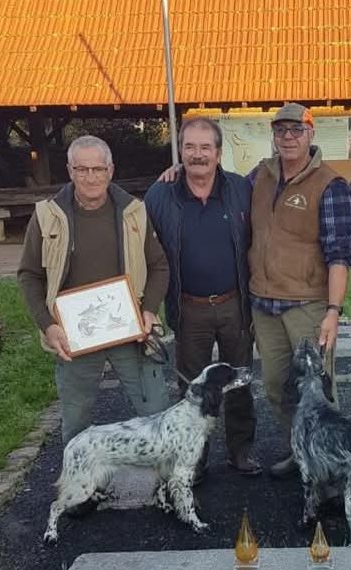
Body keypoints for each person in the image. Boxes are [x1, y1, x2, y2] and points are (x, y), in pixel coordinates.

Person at [18, 135, 170, 445]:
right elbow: (28, 275)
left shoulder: (134, 212)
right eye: (82, 169)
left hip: (129, 330)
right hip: (75, 335)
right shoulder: (47, 215)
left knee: (156, 412)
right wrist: (48, 326)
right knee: (76, 423)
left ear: (111, 170)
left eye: (98, 169)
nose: (91, 177)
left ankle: (166, 486)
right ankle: (80, 491)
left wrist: (150, 310)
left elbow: (160, 267)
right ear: (70, 171)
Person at [144, 117, 260, 479]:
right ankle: (196, 457)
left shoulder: (242, 189)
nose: (198, 155)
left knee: (239, 383)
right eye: (189, 147)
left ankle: (241, 451)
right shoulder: (160, 195)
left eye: (205, 147)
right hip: (189, 307)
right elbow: (144, 253)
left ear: (219, 152)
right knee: (191, 389)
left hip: (233, 305)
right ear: (180, 152)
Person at [249, 102, 351, 477]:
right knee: (277, 387)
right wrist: (176, 170)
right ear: (274, 136)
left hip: (307, 307)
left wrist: (332, 311)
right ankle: (300, 453)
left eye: (297, 130)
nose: (288, 137)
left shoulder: (330, 184)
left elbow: (340, 254)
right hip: (264, 304)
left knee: (318, 394)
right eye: (281, 131)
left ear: (311, 133)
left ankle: (330, 466)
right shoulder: (258, 177)